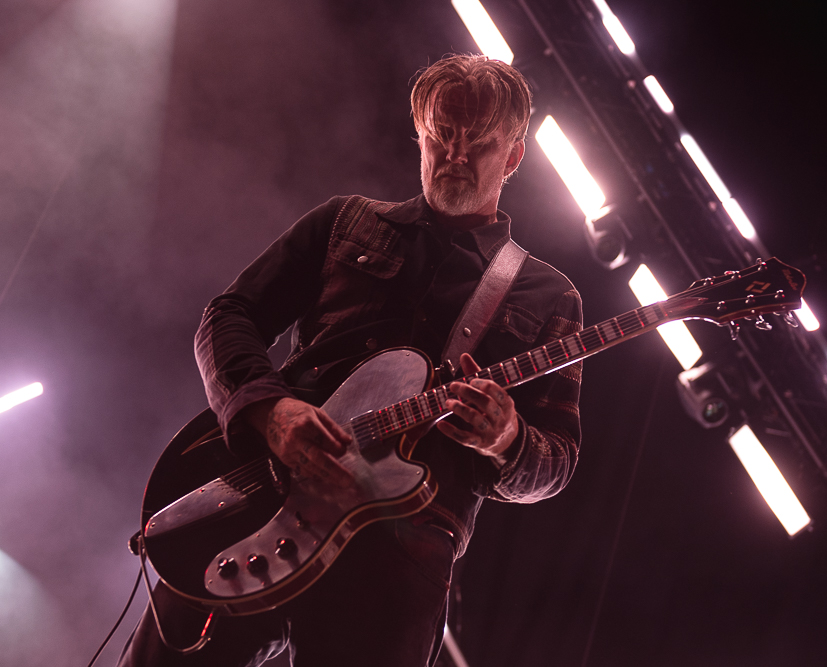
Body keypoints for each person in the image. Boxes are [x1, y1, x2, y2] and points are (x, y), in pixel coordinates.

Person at [119, 54, 583, 667]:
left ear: (515, 155)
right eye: (440, 136)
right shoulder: (346, 222)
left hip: (403, 548)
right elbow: (229, 314)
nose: (454, 155)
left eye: (478, 143)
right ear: (419, 134)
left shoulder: (548, 296)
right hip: (265, 494)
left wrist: (507, 438)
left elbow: (556, 461)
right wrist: (270, 411)